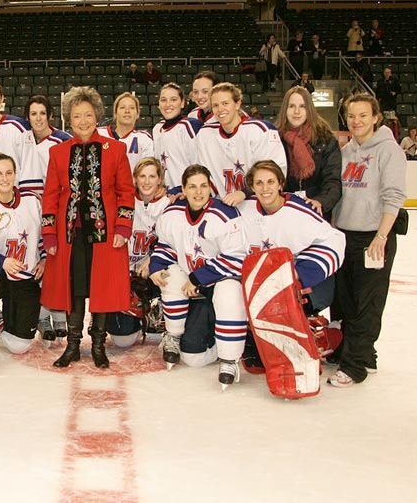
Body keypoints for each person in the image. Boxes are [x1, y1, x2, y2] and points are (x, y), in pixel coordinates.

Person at [41, 86, 135, 369]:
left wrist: (122, 228)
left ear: (97, 116)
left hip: (105, 234)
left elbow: (126, 192)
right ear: (69, 120)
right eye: (77, 116)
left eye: (88, 115)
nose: (83, 121)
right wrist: (48, 233)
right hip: (70, 234)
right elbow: (51, 195)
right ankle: (72, 344)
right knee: (75, 288)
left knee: (102, 288)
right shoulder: (57, 152)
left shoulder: (116, 150)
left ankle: (97, 345)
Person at [237, 161, 346, 368]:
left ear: (280, 184)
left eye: (270, 182)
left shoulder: (298, 211)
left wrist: (298, 274)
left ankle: (315, 332)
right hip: (264, 288)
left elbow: (335, 240)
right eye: (259, 183)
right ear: (251, 187)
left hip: (308, 287)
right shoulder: (245, 209)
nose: (265, 188)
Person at [330, 93, 406, 387]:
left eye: (363, 115)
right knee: (346, 300)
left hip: (374, 237)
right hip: (346, 236)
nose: (356, 121)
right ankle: (363, 355)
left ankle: (355, 366)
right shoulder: (346, 152)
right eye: (351, 116)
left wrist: (381, 237)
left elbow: (394, 197)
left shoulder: (389, 151)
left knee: (367, 304)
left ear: (376, 117)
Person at [148, 164, 247, 389]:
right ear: (183, 188)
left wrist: (197, 278)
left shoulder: (225, 213)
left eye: (203, 186)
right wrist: (155, 265)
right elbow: (167, 246)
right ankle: (174, 335)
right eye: (192, 186)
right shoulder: (173, 214)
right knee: (192, 357)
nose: (198, 191)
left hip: (222, 281)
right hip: (196, 287)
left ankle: (230, 358)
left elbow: (236, 258)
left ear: (210, 187)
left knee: (229, 293)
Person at [0, 152, 45, 354]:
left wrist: (45, 259)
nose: (4, 178)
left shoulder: (32, 200)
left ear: (15, 174)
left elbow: (45, 234)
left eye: (9, 172)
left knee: (19, 345)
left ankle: (2, 322)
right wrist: (1, 260)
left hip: (26, 274)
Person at [107, 157, 168, 347]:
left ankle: (159, 309)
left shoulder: (168, 204)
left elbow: (173, 243)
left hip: (151, 271)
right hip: (124, 273)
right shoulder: (123, 200)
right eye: (142, 176)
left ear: (160, 179)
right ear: (135, 179)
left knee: (171, 271)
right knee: (122, 338)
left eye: (152, 176)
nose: (147, 181)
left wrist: (153, 259)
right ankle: (104, 312)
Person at [195, 82, 287, 206]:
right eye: (215, 105)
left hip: (260, 205)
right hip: (225, 207)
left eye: (225, 103)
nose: (220, 109)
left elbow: (275, 174)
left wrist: (244, 192)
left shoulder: (260, 130)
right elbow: (203, 174)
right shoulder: (205, 134)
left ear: (237, 104)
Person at [25, 95, 71, 340]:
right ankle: (43, 316)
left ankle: (60, 314)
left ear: (50, 116)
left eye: (42, 113)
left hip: (57, 210)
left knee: (56, 261)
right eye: (33, 114)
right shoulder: (22, 139)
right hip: (31, 210)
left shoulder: (63, 140)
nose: (38, 118)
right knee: (38, 261)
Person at [275, 86, 342, 220]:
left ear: (309, 109)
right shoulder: (274, 139)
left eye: (302, 106)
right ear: (285, 110)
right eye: (292, 106)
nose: (297, 111)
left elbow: (333, 181)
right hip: (283, 212)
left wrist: (321, 202)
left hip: (316, 211)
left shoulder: (326, 139)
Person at [152, 82, 203, 189]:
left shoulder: (190, 125)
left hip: (187, 193)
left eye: (173, 99)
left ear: (182, 103)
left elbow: (200, 166)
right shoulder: (157, 128)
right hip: (164, 194)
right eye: (163, 100)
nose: (168, 104)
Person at [97, 92, 155, 173]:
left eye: (132, 108)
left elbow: (147, 172)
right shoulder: (99, 134)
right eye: (122, 107)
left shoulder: (144, 139)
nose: (127, 111)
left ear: (138, 114)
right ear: (115, 113)